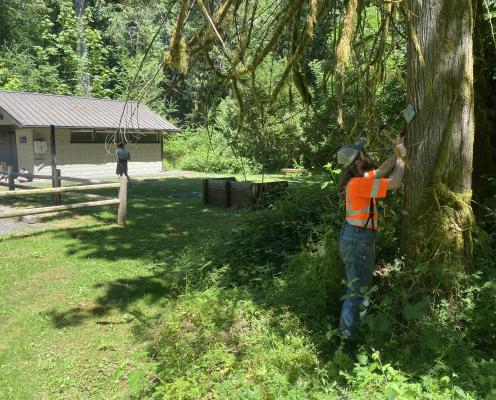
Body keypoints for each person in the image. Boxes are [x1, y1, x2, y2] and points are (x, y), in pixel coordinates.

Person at [336, 136, 406, 351]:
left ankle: (350, 334)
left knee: (354, 288)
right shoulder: (358, 184)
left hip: (353, 236)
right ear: (357, 161)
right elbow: (394, 182)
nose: (365, 154)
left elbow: (383, 170)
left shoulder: (360, 178)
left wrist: (396, 151)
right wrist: (403, 157)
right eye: (362, 153)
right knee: (356, 291)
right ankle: (346, 343)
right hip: (359, 238)